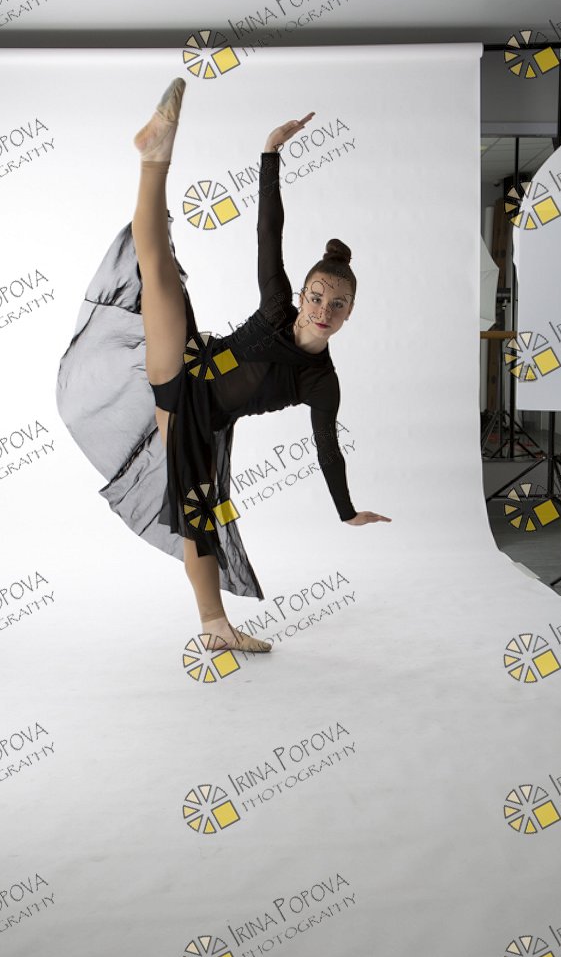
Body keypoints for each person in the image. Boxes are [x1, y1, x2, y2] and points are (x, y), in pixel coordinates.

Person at [59, 77, 390, 654]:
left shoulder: (320, 381)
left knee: (201, 519)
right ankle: (154, 155)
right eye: (317, 297)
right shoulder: (277, 304)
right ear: (304, 294)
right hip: (190, 365)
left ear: (349, 313)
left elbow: (327, 449)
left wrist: (346, 511)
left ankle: (215, 626)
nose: (322, 310)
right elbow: (269, 230)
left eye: (336, 306)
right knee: (157, 263)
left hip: (195, 417)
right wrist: (270, 152)